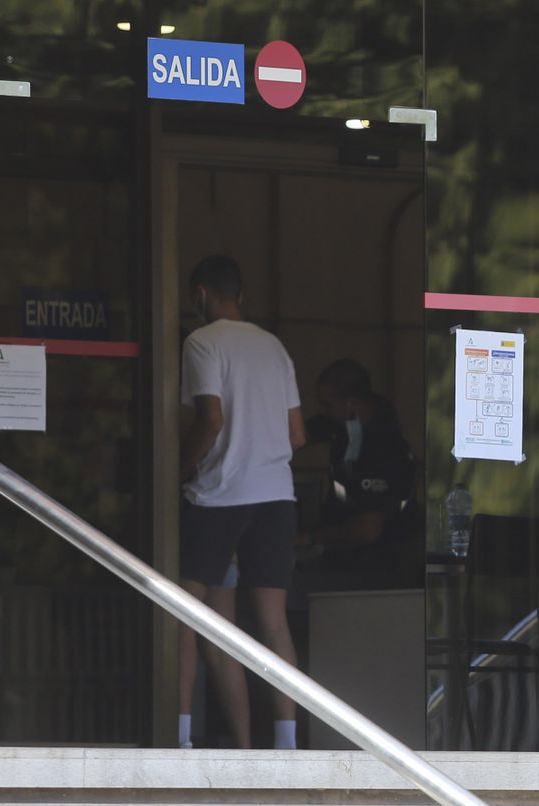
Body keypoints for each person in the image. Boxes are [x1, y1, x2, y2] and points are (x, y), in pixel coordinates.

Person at [177, 255, 305, 750]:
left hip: (220, 496)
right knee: (273, 619)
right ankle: (287, 742)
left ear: (201, 294)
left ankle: (180, 736)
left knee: (185, 613)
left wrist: (184, 467)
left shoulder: (202, 342)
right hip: (276, 496)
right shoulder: (274, 347)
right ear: (242, 297)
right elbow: (297, 435)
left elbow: (210, 418)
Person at [305, 358, 418, 582]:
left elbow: (369, 529)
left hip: (379, 566)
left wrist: (311, 538)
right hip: (337, 554)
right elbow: (297, 435)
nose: (322, 411)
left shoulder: (386, 445)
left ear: (352, 404)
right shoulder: (340, 422)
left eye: (327, 405)